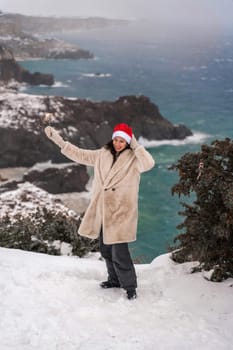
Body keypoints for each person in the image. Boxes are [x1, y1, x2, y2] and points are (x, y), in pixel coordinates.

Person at [45, 123, 155, 300]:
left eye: (122, 141)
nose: (118, 143)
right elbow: (79, 154)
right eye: (116, 140)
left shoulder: (134, 159)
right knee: (105, 250)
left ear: (128, 142)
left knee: (120, 253)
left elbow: (149, 163)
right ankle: (114, 280)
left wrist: (136, 145)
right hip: (103, 211)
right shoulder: (102, 154)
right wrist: (58, 141)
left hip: (121, 213)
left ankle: (130, 287)